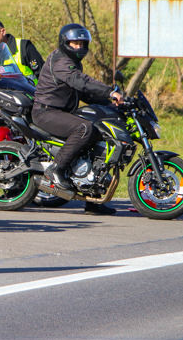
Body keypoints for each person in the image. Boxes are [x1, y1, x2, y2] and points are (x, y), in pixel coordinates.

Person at [32, 23, 123, 215]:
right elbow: (80, 81)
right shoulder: (61, 61)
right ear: (65, 42)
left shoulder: (72, 61)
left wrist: (109, 102)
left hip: (61, 111)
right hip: (46, 112)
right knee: (83, 128)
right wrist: (109, 91)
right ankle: (55, 169)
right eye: (75, 43)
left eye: (82, 44)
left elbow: (83, 92)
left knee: (98, 133)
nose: (79, 47)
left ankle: (93, 199)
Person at [0, 17, 44, 83]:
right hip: (1, 93)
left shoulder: (23, 46)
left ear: (3, 31)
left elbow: (43, 75)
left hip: (29, 91)